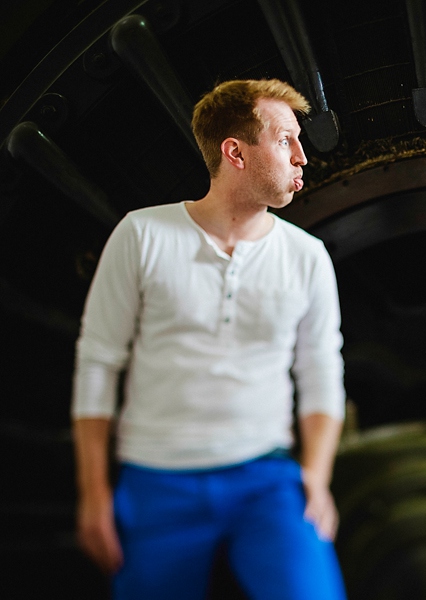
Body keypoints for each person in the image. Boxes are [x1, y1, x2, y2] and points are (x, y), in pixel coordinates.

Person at [71, 79, 347, 599]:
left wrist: (315, 474)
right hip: (157, 482)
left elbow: (321, 371)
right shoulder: (141, 235)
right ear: (235, 152)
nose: (302, 157)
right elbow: (97, 363)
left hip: (266, 482)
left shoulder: (307, 256)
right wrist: (93, 494)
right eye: (286, 140)